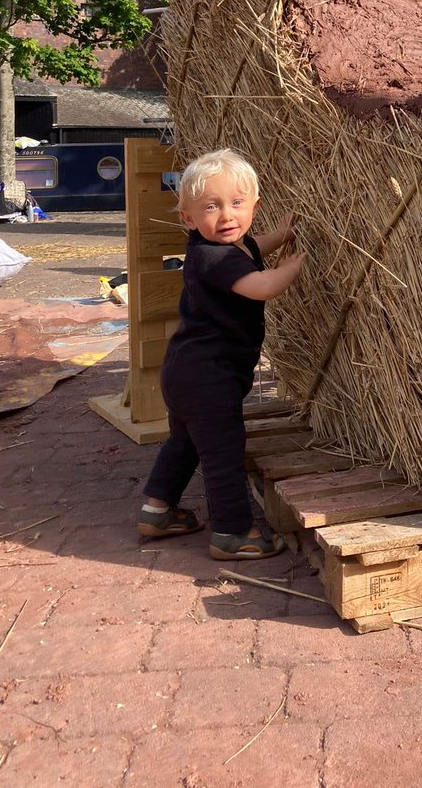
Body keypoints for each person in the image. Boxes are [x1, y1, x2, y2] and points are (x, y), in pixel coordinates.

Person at [137, 148, 305, 559]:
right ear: (188, 218)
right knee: (223, 453)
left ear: (254, 206)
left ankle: (156, 510)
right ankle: (233, 534)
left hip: (185, 373)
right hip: (208, 378)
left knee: (185, 442)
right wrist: (296, 265)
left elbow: (248, 251)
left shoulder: (222, 247)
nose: (226, 216)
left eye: (237, 203)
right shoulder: (212, 257)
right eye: (211, 207)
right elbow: (261, 286)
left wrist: (280, 238)